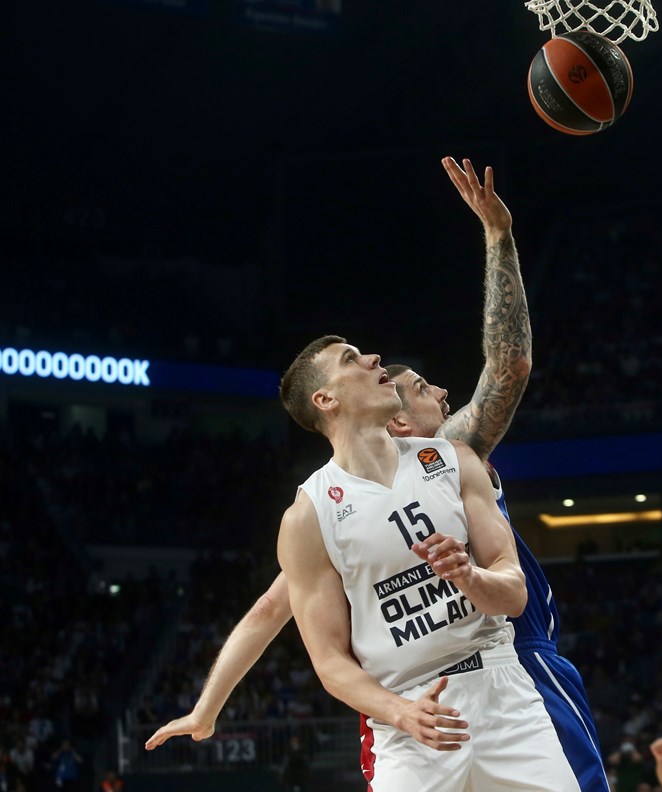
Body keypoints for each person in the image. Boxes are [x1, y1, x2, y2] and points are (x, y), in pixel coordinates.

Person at [145, 158, 608, 790]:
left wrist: (499, 238)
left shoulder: (449, 457)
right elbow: (273, 608)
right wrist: (208, 706)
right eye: (414, 384)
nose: (440, 392)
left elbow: (511, 365)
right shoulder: (320, 510)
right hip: (405, 702)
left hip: (510, 666)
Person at [273, 334, 578, 790]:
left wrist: (469, 576)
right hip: (408, 712)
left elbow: (514, 594)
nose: (374, 357)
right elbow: (330, 661)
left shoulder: (453, 459)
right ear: (325, 399)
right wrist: (400, 712)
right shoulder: (308, 516)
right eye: (352, 360)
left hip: (502, 691)